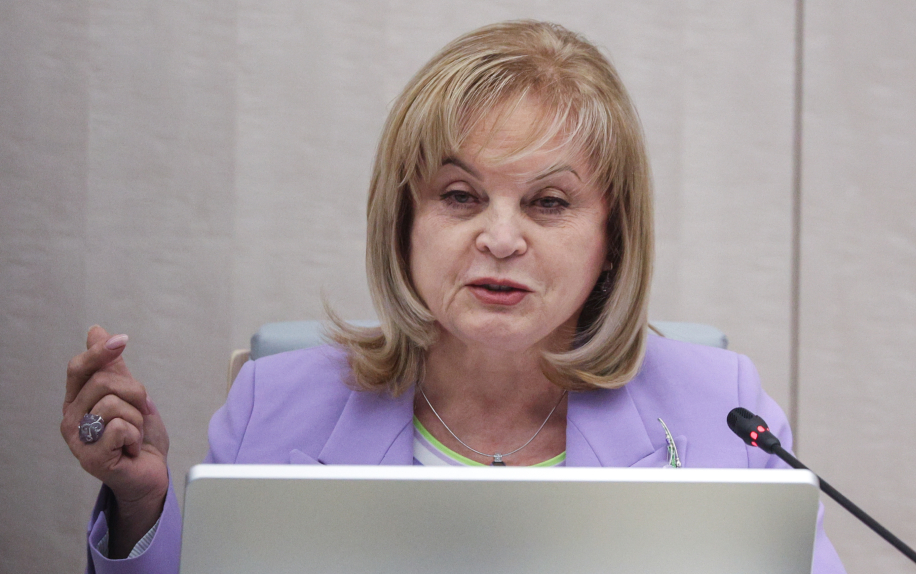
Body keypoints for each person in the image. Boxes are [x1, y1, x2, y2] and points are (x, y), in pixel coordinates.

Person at [61, 20, 846, 573]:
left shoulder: (725, 413)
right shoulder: (274, 406)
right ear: (404, 220)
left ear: (613, 236)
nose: (500, 239)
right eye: (461, 196)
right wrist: (141, 504)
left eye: (548, 203)